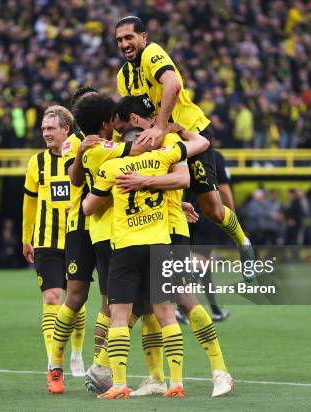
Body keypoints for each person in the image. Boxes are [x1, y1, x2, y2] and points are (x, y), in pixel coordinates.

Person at [114, 16, 255, 281]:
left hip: (190, 133)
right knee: (163, 202)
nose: (124, 44)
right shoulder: (123, 76)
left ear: (143, 37)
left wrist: (160, 125)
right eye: (120, 40)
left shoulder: (152, 53)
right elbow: (128, 115)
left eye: (129, 37)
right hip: (163, 141)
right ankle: (171, 280)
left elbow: (173, 85)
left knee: (213, 210)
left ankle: (243, 243)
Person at [112, 97, 234, 397]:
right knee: (148, 305)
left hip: (172, 231)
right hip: (147, 231)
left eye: (125, 126)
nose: (122, 134)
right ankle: (156, 377)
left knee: (183, 298)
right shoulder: (133, 147)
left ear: (135, 120)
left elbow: (185, 171)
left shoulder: (166, 138)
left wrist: (176, 130)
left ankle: (220, 371)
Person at [81, 124, 210, 399]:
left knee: (119, 316)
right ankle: (176, 382)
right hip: (159, 246)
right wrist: (179, 128)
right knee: (166, 314)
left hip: (126, 248)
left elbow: (88, 208)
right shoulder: (162, 159)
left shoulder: (112, 167)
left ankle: (118, 385)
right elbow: (202, 143)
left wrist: (110, 196)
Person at [46, 93, 154, 395]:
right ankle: (55, 365)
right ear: (105, 118)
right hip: (82, 224)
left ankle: (99, 366)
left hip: (106, 224)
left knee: (111, 302)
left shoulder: (106, 143)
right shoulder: (76, 144)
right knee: (77, 296)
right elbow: (75, 179)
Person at [22, 106, 87, 388]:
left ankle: (76, 354)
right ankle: (53, 364)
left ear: (66, 129)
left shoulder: (80, 158)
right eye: (44, 128)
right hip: (46, 242)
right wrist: (27, 237)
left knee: (77, 300)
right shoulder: (36, 163)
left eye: (51, 128)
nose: (46, 133)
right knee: (52, 298)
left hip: (76, 237)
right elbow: (30, 203)